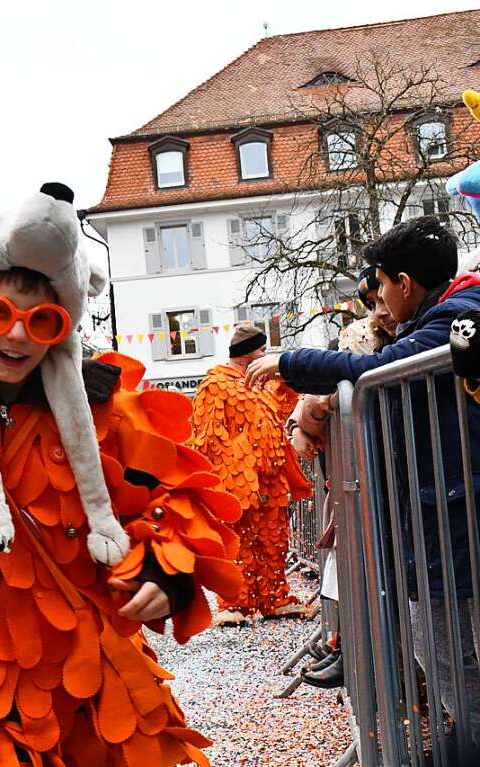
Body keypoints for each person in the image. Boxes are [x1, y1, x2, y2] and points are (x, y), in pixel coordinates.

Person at [0, 184, 242, 766]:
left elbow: (180, 496)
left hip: (84, 682)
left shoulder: (110, 410)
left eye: (41, 321)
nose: (16, 336)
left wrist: (169, 568)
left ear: (63, 328)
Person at [246, 216, 480, 735]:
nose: (378, 297)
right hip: (441, 509)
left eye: (380, 282)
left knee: (447, 653)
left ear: (404, 283)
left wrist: (289, 362)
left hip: (454, 510)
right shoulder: (445, 315)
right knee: (438, 647)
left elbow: (376, 369)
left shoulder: (458, 318)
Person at [290, 266, 395, 690]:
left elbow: (351, 387)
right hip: (357, 481)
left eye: (384, 298)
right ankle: (346, 647)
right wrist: (302, 420)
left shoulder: (400, 338)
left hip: (382, 482)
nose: (381, 311)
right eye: (372, 303)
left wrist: (313, 411)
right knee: (349, 568)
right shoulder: (364, 334)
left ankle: (362, 659)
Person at [190, 323, 312, 624]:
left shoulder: (260, 386)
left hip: (271, 482)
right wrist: (236, 478)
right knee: (240, 542)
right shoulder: (216, 385)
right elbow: (209, 439)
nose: (264, 356)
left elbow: (281, 409)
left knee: (274, 541)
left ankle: (274, 597)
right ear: (246, 355)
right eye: (261, 350)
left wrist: (288, 380)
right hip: (239, 484)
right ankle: (235, 602)